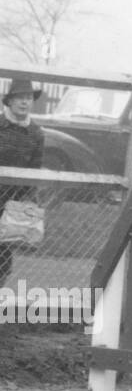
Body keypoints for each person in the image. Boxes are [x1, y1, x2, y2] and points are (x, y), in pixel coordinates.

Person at [0, 78, 45, 286]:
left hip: (12, 201)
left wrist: (28, 200)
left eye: (28, 98)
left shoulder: (36, 134)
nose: (24, 102)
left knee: (3, 250)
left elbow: (34, 170)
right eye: (19, 98)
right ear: (9, 101)